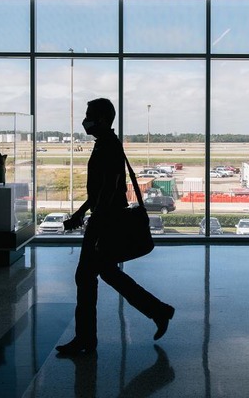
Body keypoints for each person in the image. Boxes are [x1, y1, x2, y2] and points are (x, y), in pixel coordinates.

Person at [56, 98, 175, 356]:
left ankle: (86, 339)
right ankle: (158, 311)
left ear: (101, 119)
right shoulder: (106, 144)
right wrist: (80, 212)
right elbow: (100, 190)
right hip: (103, 219)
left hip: (104, 222)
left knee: (86, 277)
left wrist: (94, 221)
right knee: (105, 273)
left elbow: (108, 191)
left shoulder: (108, 146)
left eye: (89, 115)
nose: (85, 121)